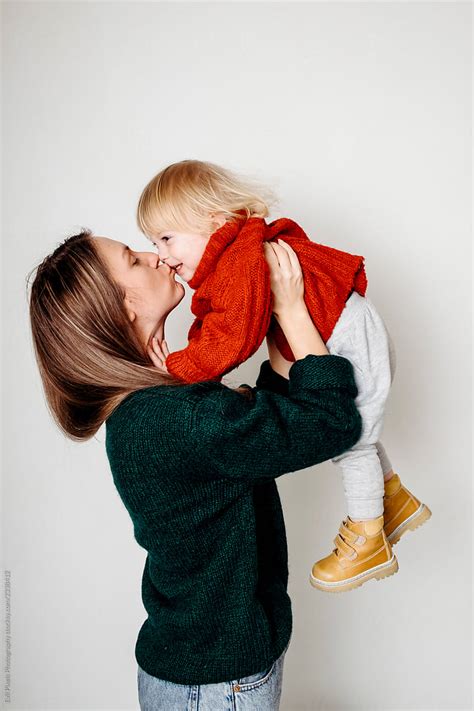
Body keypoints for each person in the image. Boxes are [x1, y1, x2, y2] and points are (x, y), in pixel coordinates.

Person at [28, 232, 362, 709]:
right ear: (121, 306)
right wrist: (290, 311)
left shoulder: (151, 411)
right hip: (215, 686)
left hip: (200, 674)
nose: (155, 255)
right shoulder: (171, 418)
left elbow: (261, 434)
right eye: (133, 258)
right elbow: (330, 422)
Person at [136, 159, 432, 594]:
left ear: (214, 222)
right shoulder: (236, 258)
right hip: (344, 333)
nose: (162, 255)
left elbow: (232, 336)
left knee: (352, 439)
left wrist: (178, 369)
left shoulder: (239, 261)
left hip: (348, 336)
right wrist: (189, 365)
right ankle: (394, 499)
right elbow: (217, 326)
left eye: (166, 239)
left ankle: (370, 535)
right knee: (360, 427)